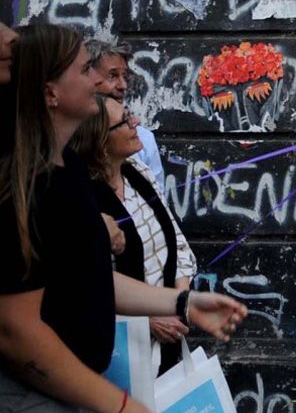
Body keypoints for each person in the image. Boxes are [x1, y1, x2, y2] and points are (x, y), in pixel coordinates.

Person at [0, 24, 247, 413]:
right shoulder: (28, 183)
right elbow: (17, 333)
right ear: (50, 94)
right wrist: (120, 406)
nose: (100, 80)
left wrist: (183, 302)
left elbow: (90, 278)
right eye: (85, 71)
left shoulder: (68, 171)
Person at [70, 94, 197, 375]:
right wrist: (147, 319)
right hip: (118, 350)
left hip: (168, 337)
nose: (136, 122)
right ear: (100, 143)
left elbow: (176, 241)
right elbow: (82, 284)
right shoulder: (83, 197)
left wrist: (178, 301)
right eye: (125, 121)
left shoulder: (139, 173)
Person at [86, 39, 166, 189]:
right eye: (112, 76)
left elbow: (159, 198)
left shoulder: (142, 139)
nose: (123, 86)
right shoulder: (69, 139)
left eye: (124, 76)